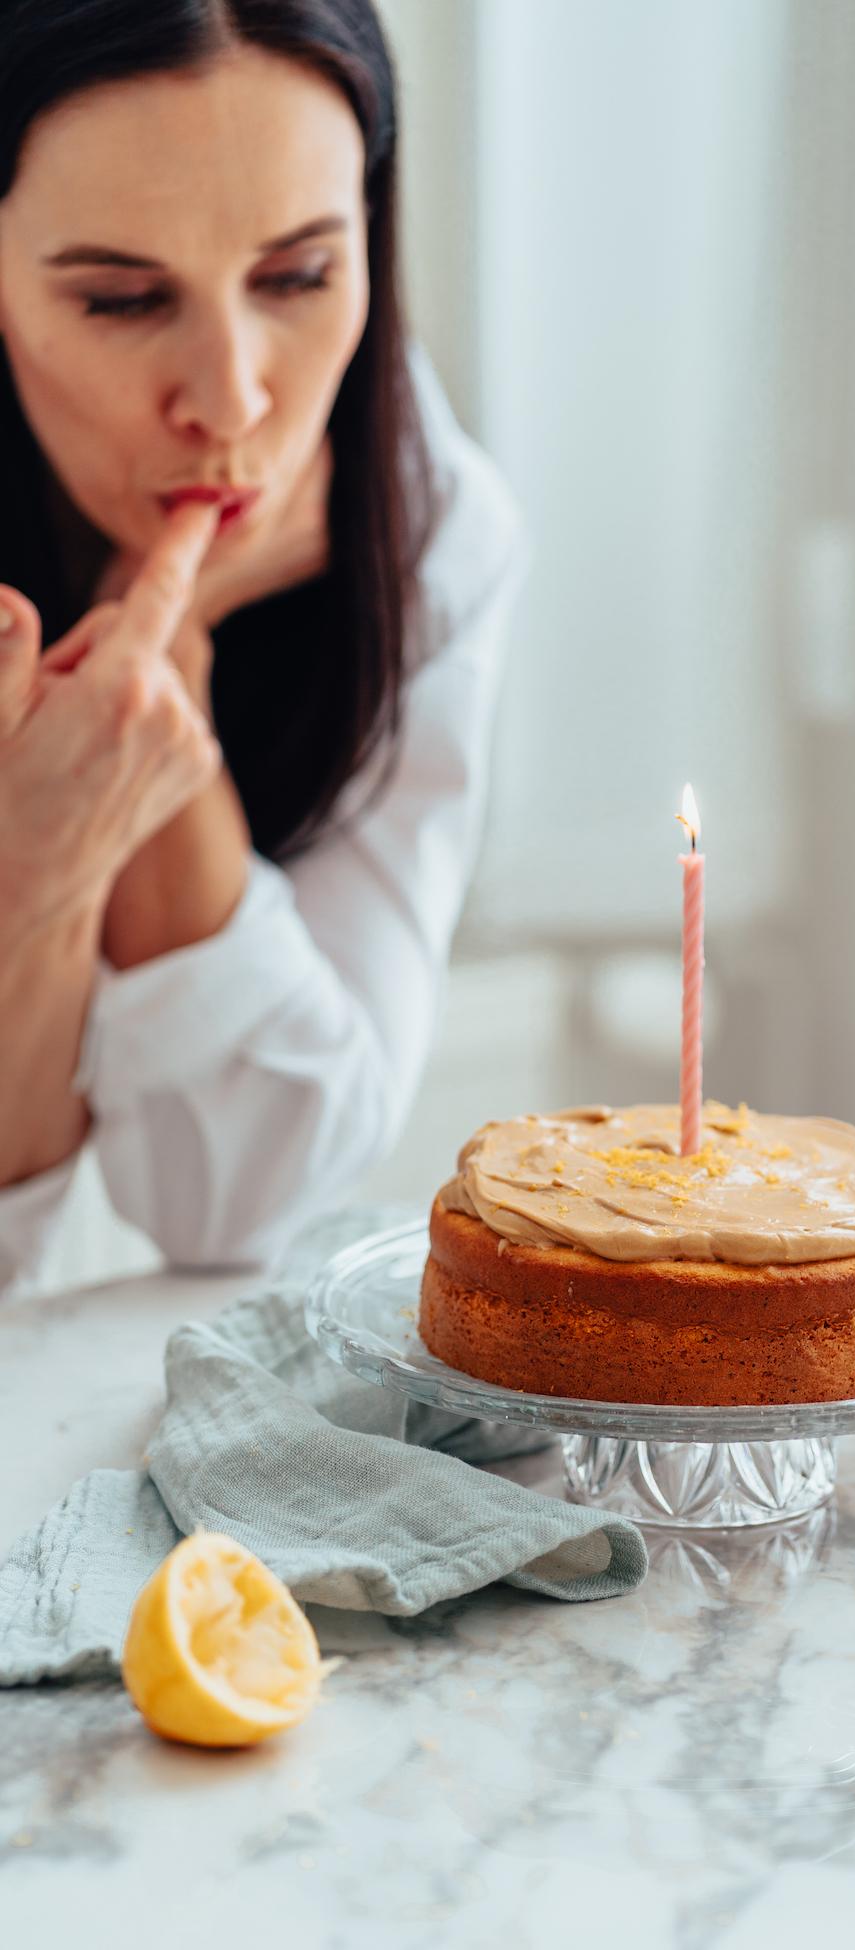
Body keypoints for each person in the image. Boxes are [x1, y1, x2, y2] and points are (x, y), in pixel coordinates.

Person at [0, 1, 526, 1296]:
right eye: (121, 298)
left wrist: (158, 642)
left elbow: (237, 1200)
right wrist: (36, 870)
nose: (231, 399)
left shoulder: (432, 529)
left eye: (299, 277)